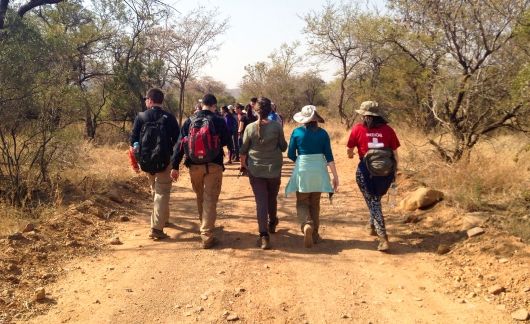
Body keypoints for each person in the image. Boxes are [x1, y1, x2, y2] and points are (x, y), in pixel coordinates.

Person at [171, 94, 231, 249]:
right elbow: (226, 140)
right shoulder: (218, 120)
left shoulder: (190, 120)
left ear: (202, 104)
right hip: (214, 165)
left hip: (194, 165)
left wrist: (175, 166)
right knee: (210, 198)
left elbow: (180, 144)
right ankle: (206, 234)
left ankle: (204, 224)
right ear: (214, 105)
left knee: (200, 196)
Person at [346, 101, 400, 252]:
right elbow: (395, 154)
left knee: (373, 201)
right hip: (386, 172)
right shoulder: (388, 130)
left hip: (366, 172)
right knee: (375, 199)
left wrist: (351, 155)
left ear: (364, 115)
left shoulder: (358, 129)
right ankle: (371, 225)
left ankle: (383, 237)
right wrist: (395, 172)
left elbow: (349, 150)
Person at [129, 88, 180, 240]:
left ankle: (163, 218)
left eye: (146, 99)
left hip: (146, 162)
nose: (146, 101)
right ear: (161, 101)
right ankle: (157, 229)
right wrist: (175, 161)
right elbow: (178, 141)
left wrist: (136, 161)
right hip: (165, 161)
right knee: (162, 193)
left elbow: (132, 141)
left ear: (150, 101)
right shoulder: (169, 118)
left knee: (155, 191)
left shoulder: (141, 116)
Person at [285, 105, 339, 248]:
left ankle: (307, 225)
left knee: (302, 202)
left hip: (303, 170)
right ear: (316, 119)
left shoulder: (296, 132)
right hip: (319, 171)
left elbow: (290, 154)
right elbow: (329, 156)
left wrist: (301, 162)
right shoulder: (323, 133)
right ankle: (315, 234)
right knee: (315, 203)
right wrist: (335, 176)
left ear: (303, 119)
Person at [239, 97, 287, 250]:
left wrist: (243, 166)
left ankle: (264, 235)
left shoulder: (250, 128)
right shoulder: (276, 126)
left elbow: (243, 150)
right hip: (274, 169)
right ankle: (272, 222)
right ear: (270, 110)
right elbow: (283, 147)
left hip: (256, 170)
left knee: (261, 201)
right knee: (271, 197)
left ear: (255, 110)